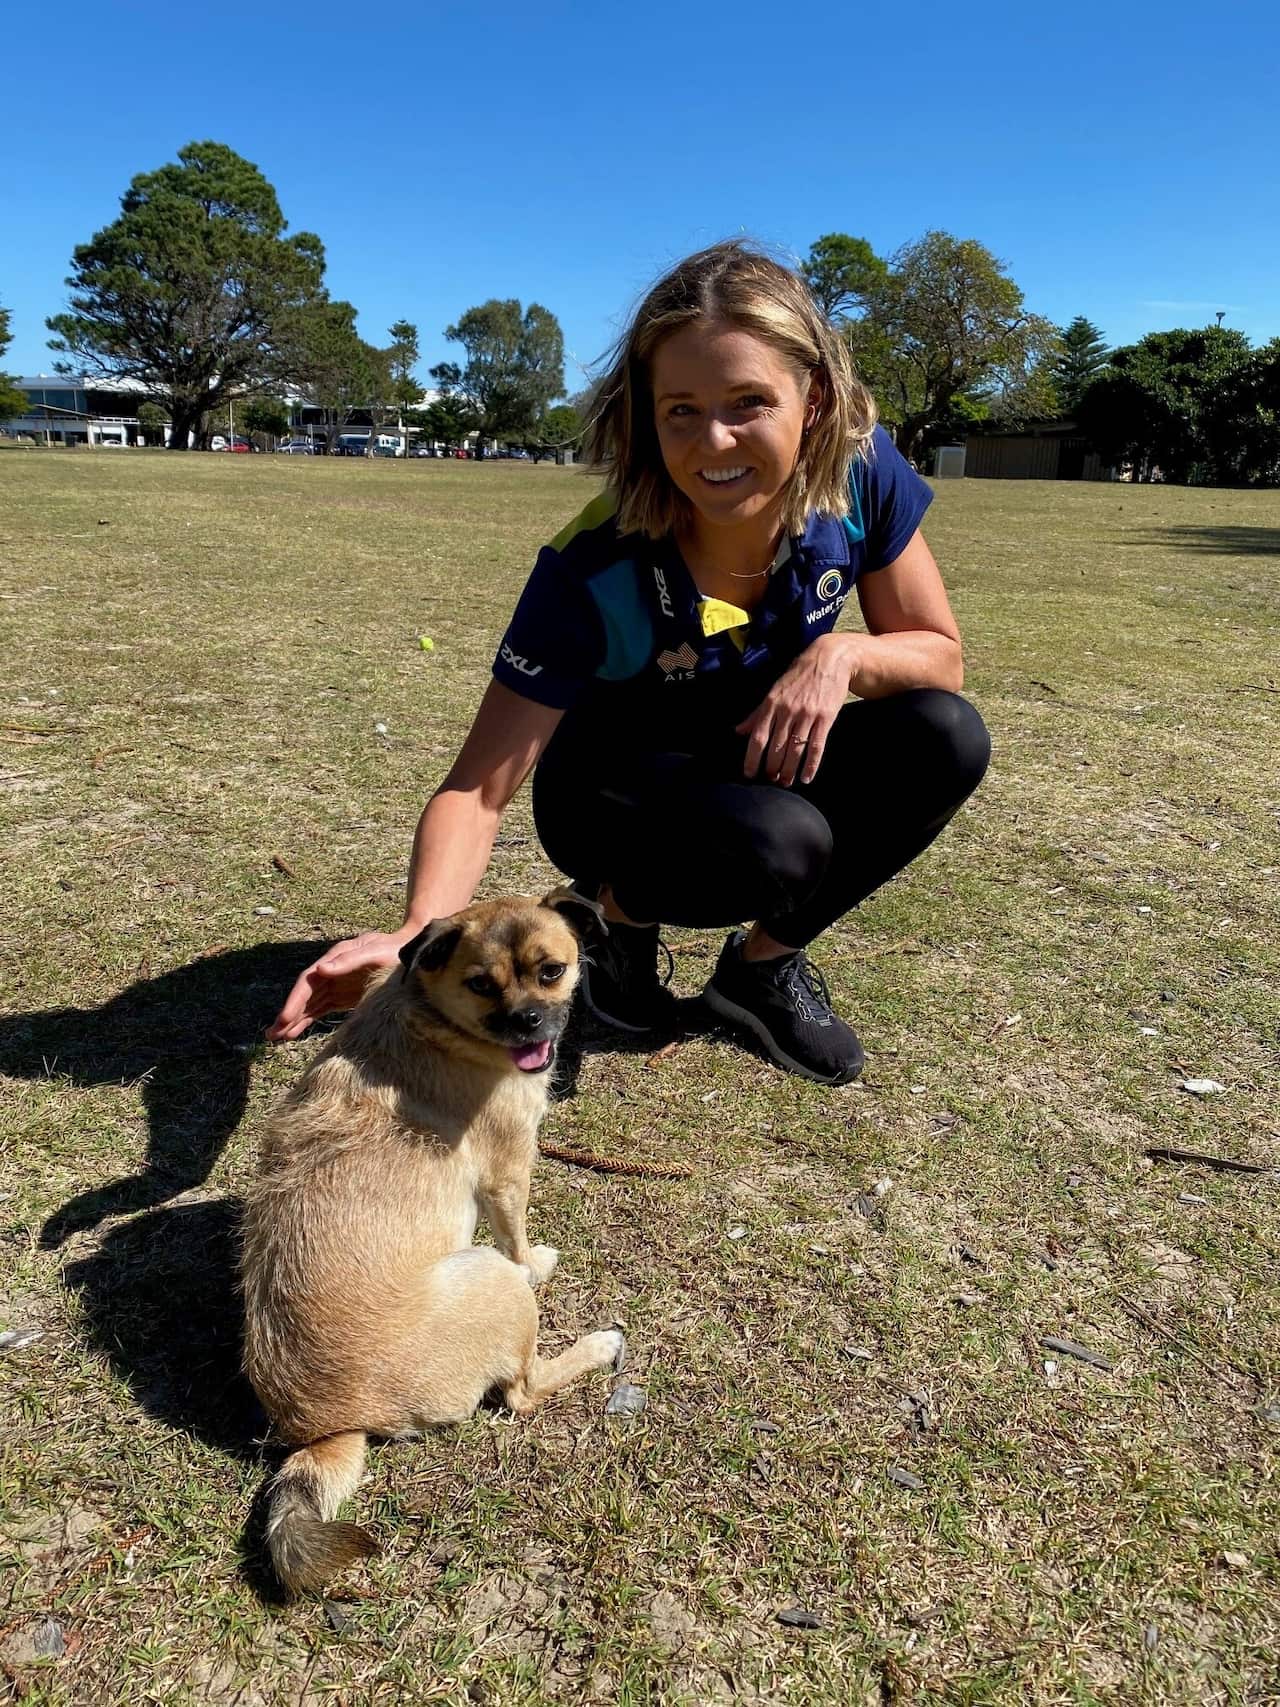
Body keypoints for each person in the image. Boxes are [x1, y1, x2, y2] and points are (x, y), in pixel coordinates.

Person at [270, 240, 990, 1085]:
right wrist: (421, 930)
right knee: (782, 841)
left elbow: (940, 656)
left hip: (747, 758)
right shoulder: (598, 561)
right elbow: (476, 788)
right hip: (614, 792)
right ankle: (614, 921)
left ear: (815, 396)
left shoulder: (861, 474)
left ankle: (758, 973)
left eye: (749, 401)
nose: (712, 441)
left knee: (947, 736)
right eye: (679, 409)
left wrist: (844, 654)